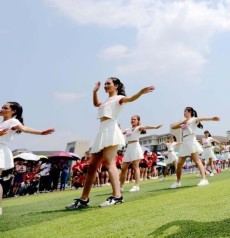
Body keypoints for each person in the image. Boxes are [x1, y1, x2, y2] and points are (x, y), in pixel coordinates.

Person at [65, 78, 154, 209]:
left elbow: (130, 99)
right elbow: (96, 104)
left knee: (109, 162)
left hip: (111, 130)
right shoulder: (106, 101)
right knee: (92, 166)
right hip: (102, 131)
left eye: (109, 83)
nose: (106, 86)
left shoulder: (119, 98)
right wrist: (94, 91)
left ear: (116, 85)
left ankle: (117, 197)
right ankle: (84, 199)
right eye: (105, 84)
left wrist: (141, 92)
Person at [0, 101, 54, 215]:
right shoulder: (3, 122)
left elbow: (24, 128)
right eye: (2, 107)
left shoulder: (13, 121)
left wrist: (40, 132)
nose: (2, 109)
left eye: (5, 107)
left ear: (13, 111)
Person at [170, 107, 220, 188]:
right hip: (184, 142)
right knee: (179, 164)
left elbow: (202, 118)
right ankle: (178, 182)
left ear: (189, 112)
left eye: (185, 111)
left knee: (197, 161)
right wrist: (182, 122)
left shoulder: (193, 119)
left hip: (191, 141)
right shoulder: (183, 122)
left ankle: (204, 179)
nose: (184, 112)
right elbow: (173, 127)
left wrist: (211, 118)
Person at [119, 115, 161, 192]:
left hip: (135, 146)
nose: (132, 120)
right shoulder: (128, 129)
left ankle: (136, 186)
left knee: (135, 167)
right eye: (131, 119)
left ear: (138, 121)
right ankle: (120, 187)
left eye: (134, 119)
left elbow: (146, 126)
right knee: (124, 168)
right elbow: (120, 132)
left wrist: (155, 127)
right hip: (128, 147)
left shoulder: (138, 128)